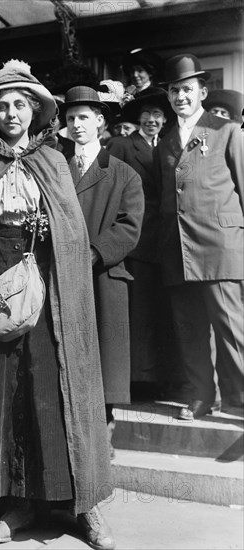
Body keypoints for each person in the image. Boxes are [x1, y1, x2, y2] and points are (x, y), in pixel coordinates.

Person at [0, 60, 115, 550]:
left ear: (35, 110)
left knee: (54, 385)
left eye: (20, 104)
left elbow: (73, 236)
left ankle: (80, 504)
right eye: (2, 106)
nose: (11, 113)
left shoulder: (53, 161)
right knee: (2, 390)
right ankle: (15, 504)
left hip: (48, 284)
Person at [154, 53, 244, 420]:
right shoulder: (165, 140)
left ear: (202, 91)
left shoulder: (227, 131)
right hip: (178, 247)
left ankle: (240, 398)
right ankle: (202, 396)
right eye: (175, 90)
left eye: (187, 89)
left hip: (220, 245)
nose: (181, 96)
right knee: (190, 329)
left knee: (231, 328)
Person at [58, 85, 144, 444]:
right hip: (61, 272)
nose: (76, 125)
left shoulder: (123, 173)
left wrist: (93, 253)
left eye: (83, 118)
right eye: (70, 119)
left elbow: (128, 226)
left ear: (100, 122)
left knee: (104, 353)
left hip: (103, 272)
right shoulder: (57, 167)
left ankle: (103, 429)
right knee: (69, 349)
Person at [106, 88, 185, 399]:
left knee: (161, 313)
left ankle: (163, 379)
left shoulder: (169, 147)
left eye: (158, 115)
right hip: (135, 241)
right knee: (139, 313)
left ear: (165, 119)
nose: (152, 120)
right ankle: (138, 382)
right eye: (146, 115)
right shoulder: (123, 145)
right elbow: (110, 189)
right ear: (137, 119)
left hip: (166, 243)